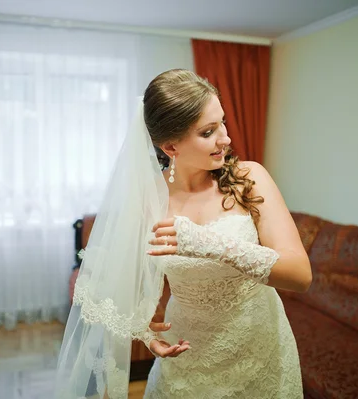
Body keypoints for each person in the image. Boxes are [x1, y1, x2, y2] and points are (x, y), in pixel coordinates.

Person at [54, 69, 311, 399]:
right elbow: (112, 284)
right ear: (170, 146)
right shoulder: (146, 199)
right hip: (188, 354)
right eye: (208, 131)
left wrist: (211, 244)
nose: (226, 138)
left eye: (223, 123)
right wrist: (145, 333)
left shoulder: (251, 178)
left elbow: (300, 275)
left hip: (260, 350)